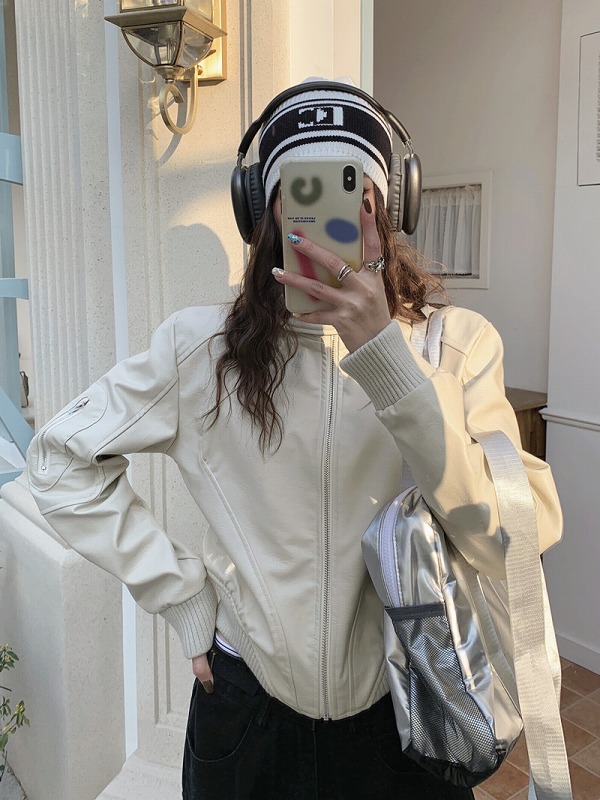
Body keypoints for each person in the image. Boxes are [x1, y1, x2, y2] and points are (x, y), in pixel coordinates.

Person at [25, 79, 562, 799]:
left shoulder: (456, 346)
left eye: (355, 195)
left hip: (404, 713)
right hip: (246, 716)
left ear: (389, 211)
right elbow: (57, 461)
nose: (330, 220)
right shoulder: (201, 352)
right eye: (301, 196)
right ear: (266, 214)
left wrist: (390, 363)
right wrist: (181, 595)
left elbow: (516, 542)